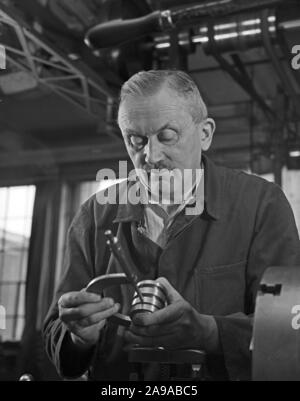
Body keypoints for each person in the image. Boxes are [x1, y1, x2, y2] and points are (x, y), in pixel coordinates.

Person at [43, 70, 300, 381]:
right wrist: (79, 337)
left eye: (167, 136)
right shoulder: (95, 215)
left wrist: (210, 331)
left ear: (205, 134)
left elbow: (289, 334)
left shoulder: (261, 205)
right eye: (135, 140)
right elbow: (58, 340)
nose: (150, 156)